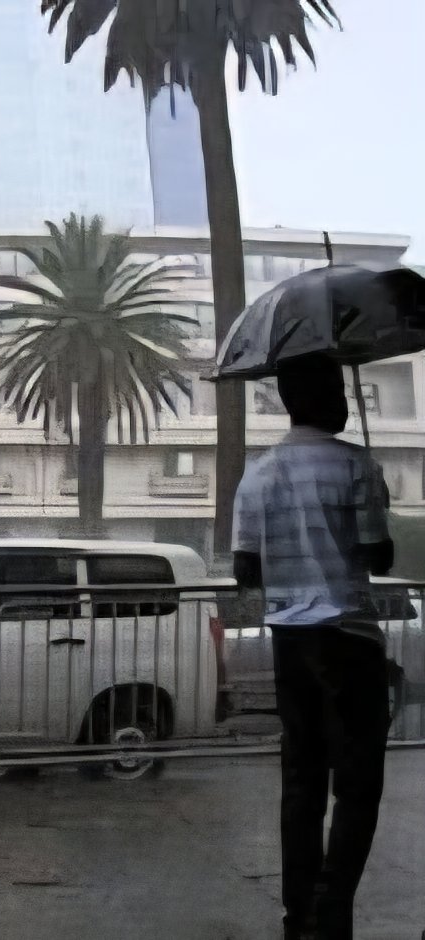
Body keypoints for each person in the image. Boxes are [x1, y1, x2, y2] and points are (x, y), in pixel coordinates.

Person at [233, 353, 394, 940]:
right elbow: (379, 556)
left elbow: (246, 569)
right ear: (328, 397)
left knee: (301, 781)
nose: (348, 402)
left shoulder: (258, 471)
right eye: (342, 391)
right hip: (348, 637)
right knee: (358, 783)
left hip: (290, 642)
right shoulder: (355, 465)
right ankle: (332, 907)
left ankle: (296, 912)